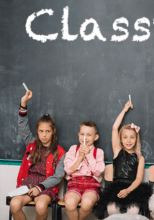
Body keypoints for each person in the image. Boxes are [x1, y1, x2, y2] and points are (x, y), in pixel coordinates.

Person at [10, 90, 65, 220]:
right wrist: (23, 103)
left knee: (40, 206)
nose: (44, 135)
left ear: (53, 131)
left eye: (47, 131)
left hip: (46, 186)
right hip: (29, 183)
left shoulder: (60, 152)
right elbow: (22, 126)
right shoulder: (31, 143)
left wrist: (40, 187)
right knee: (14, 204)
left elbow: (57, 177)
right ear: (37, 132)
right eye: (41, 131)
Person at [94, 100, 152, 219]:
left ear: (136, 139)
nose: (128, 140)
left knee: (134, 210)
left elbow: (138, 179)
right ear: (120, 140)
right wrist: (124, 110)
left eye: (132, 137)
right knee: (111, 209)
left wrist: (128, 190)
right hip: (116, 187)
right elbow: (115, 128)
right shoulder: (117, 151)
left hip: (133, 188)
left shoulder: (140, 158)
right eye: (125, 137)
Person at [64, 121, 105, 220]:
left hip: (92, 185)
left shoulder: (98, 152)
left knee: (87, 204)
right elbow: (68, 170)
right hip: (74, 184)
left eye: (89, 135)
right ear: (78, 135)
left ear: (95, 137)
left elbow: (98, 171)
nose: (84, 137)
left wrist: (88, 155)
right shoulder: (73, 149)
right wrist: (80, 157)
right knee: (69, 204)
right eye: (82, 134)